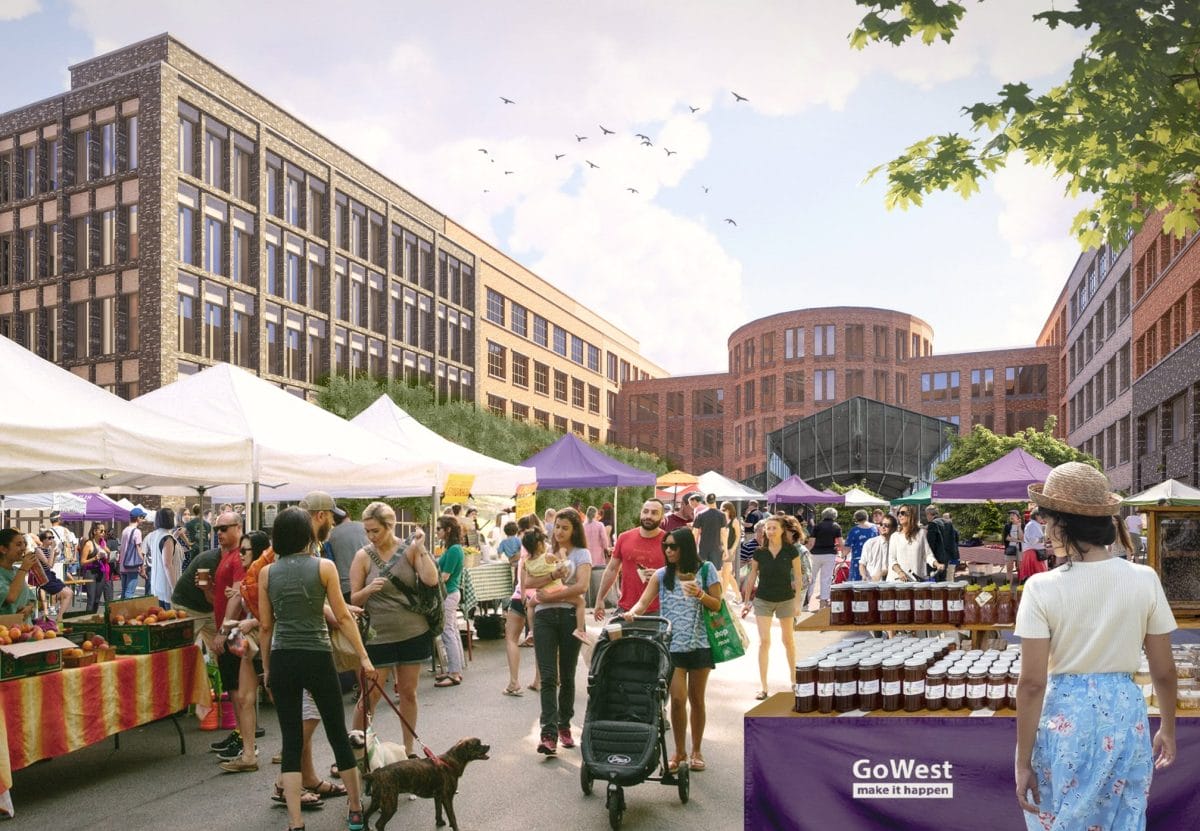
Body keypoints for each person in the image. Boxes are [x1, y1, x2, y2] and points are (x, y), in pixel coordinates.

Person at [1014, 462, 1177, 829]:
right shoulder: (1144, 579)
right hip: (1125, 716)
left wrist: (1022, 761)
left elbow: (1032, 684)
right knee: (1123, 819)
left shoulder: (1042, 588)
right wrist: (1168, 727)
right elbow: (1163, 671)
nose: (1045, 529)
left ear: (1062, 525)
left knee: (1062, 817)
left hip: (1064, 721)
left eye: (1047, 519)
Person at [259, 507, 374, 831]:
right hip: (318, 656)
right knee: (338, 734)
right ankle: (354, 810)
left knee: (291, 742)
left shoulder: (267, 573)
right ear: (309, 535)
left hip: (283, 658)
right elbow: (343, 616)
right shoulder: (324, 568)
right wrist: (363, 657)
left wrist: (267, 669)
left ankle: (295, 822)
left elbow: (266, 627)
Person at [623, 527, 721, 773]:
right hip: (672, 646)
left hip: (700, 644)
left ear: (686, 547)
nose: (668, 550)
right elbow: (644, 602)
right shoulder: (660, 575)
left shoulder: (707, 569)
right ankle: (679, 752)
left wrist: (699, 593)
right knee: (677, 700)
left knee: (697, 700)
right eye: (665, 546)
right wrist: (632, 613)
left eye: (673, 546)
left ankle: (697, 750)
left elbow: (717, 605)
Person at [349, 501, 439, 756]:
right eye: (367, 531)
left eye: (376, 530)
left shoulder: (409, 550)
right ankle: (356, 755)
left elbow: (431, 581)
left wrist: (421, 549)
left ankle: (408, 750)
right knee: (370, 697)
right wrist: (368, 590)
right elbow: (353, 599)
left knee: (408, 693)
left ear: (391, 526)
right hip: (378, 636)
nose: (371, 536)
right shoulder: (363, 556)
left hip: (413, 632)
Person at [525, 508, 592, 755]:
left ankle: (564, 724)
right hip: (543, 617)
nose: (560, 531)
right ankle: (548, 734)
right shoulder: (548, 554)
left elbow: (582, 586)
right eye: (558, 527)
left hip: (568, 616)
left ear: (575, 530)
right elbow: (529, 583)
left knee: (567, 674)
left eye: (565, 527)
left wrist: (553, 593)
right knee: (548, 675)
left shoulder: (582, 553)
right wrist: (553, 575)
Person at [741, 516, 804, 700]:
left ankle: (794, 681)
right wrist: (746, 601)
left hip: (785, 599)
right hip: (763, 599)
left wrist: (797, 602)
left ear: (782, 530)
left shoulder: (791, 551)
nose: (769, 531)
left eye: (773, 528)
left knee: (788, 641)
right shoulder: (759, 552)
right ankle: (764, 687)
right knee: (764, 642)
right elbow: (752, 576)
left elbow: (798, 578)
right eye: (767, 528)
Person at [593, 499, 667, 620]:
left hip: (656, 613)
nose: (648, 516)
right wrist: (600, 598)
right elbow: (611, 569)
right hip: (625, 608)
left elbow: (680, 576)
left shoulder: (668, 541)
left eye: (654, 513)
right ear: (640, 513)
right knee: (607, 639)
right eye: (645, 511)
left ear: (662, 517)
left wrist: (662, 575)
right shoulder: (625, 537)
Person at [521, 526, 588, 644]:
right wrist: (563, 553)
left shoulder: (526, 563)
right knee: (580, 602)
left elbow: (527, 581)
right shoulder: (548, 556)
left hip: (540, 594)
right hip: (557, 589)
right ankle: (580, 629)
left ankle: (531, 631)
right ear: (540, 544)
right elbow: (563, 566)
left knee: (530, 605)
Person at [503, 529, 543, 697]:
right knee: (541, 642)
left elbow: (521, 581)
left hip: (520, 598)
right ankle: (538, 680)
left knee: (511, 638)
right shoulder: (547, 558)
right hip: (541, 599)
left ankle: (513, 682)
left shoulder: (523, 558)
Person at [432, 516, 466, 688]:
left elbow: (445, 576)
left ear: (448, 530)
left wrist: (429, 582)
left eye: (439, 528)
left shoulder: (454, 550)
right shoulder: (452, 548)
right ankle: (456, 668)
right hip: (452, 593)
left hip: (449, 593)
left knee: (447, 632)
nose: (437, 531)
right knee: (451, 630)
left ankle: (454, 673)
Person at [143, 508, 182, 609]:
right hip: (167, 587)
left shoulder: (154, 535)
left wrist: (174, 537)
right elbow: (167, 564)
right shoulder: (167, 538)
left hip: (157, 587)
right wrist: (176, 589)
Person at [327, 506, 368, 601]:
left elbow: (330, 561)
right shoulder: (366, 528)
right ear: (348, 514)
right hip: (367, 584)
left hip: (345, 587)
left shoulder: (330, 536)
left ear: (333, 519)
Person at [806, 507, 842, 611]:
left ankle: (806, 602)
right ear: (834, 516)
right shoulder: (836, 526)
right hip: (830, 554)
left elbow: (811, 542)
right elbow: (840, 543)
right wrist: (839, 548)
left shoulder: (817, 526)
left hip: (815, 554)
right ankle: (823, 603)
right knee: (826, 579)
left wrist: (805, 552)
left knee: (811, 578)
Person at [887, 506, 936, 581]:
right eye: (898, 513)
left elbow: (927, 554)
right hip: (897, 581)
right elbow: (891, 559)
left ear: (911, 515)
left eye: (903, 513)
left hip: (916, 580)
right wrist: (900, 572)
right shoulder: (895, 536)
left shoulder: (921, 533)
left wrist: (936, 563)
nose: (900, 515)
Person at [30, 530, 73, 616]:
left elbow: (51, 566)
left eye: (52, 537)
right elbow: (48, 565)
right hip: (43, 578)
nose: (52, 539)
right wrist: (53, 550)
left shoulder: (48, 550)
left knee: (69, 592)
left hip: (49, 575)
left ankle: (60, 616)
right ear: (43, 540)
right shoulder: (38, 550)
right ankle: (59, 617)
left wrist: (54, 555)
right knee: (68, 593)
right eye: (49, 538)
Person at [0, 529, 38, 620]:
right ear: (3, 549)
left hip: (25, 630)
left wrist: (29, 608)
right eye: (18, 544)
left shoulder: (17, 571)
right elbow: (10, 597)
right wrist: (24, 568)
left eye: (24, 544)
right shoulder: (20, 571)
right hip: (6, 631)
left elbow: (31, 599)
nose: (23, 548)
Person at [79, 523, 113, 613]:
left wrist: (110, 554)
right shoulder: (89, 544)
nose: (103, 533)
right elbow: (82, 562)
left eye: (104, 531)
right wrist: (94, 558)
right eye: (101, 531)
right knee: (91, 599)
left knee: (97, 599)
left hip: (101, 572)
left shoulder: (102, 542)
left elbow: (108, 554)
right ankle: (88, 621)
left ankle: (94, 618)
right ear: (95, 531)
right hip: (90, 572)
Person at [116, 508, 147, 599]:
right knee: (129, 593)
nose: (143, 519)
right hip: (132, 566)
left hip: (123, 565)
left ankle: (120, 612)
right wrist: (142, 567)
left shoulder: (125, 530)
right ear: (138, 518)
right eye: (142, 517)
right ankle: (126, 613)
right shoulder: (137, 532)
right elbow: (138, 549)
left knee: (124, 591)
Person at [693, 493, 727, 575]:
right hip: (716, 547)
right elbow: (723, 534)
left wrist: (694, 547)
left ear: (705, 501)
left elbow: (695, 533)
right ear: (715, 501)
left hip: (703, 548)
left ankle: (704, 588)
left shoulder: (700, 514)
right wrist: (725, 549)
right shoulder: (722, 515)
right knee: (716, 573)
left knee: (702, 572)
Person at [582, 506, 610, 607]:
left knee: (587, 578)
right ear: (595, 514)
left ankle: (588, 601)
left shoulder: (583, 525)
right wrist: (606, 548)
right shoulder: (599, 525)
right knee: (597, 577)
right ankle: (597, 599)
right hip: (598, 553)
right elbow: (604, 539)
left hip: (586, 554)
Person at [844, 510, 878, 585]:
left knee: (857, 584)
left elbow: (846, 549)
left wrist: (842, 555)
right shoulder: (875, 528)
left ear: (856, 519)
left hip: (858, 560)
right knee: (873, 583)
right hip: (873, 559)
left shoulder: (853, 530)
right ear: (867, 517)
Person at [859, 513, 895, 581]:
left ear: (893, 528)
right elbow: (862, 564)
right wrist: (864, 576)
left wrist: (881, 573)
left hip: (891, 584)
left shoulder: (896, 544)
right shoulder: (870, 543)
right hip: (872, 583)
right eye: (881, 524)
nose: (883, 527)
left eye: (886, 525)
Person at [720, 501, 743, 602]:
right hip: (721, 549)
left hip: (729, 549)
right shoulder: (722, 520)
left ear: (729, 510)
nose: (722, 512)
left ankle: (724, 595)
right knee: (727, 574)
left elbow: (738, 536)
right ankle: (738, 595)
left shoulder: (734, 521)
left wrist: (733, 549)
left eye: (724, 510)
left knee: (726, 573)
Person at [47, 511, 78, 577]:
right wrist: (74, 556)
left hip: (52, 559)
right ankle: (75, 585)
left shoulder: (47, 532)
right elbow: (75, 543)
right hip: (64, 558)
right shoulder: (65, 530)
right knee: (64, 578)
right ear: (58, 519)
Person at [1021, 510, 1049, 582]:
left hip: (1034, 553)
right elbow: (1033, 540)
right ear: (1036, 516)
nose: (1043, 517)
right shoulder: (1032, 525)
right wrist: (1043, 538)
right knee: (1038, 578)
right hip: (1033, 554)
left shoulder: (1034, 524)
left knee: (1037, 579)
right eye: (1041, 515)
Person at [184, 504, 211, 569]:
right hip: (205, 548)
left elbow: (183, 533)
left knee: (194, 568)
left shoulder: (188, 524)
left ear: (193, 511)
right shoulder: (207, 524)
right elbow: (209, 536)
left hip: (194, 549)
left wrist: (188, 542)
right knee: (204, 569)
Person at [1003, 509, 1024, 583]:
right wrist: (1018, 540)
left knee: (1020, 569)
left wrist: (1019, 527)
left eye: (1013, 515)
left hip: (1020, 549)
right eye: (1010, 515)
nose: (1011, 516)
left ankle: (1020, 587)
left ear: (1018, 517)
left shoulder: (1023, 525)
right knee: (1009, 569)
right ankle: (1008, 587)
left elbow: (1022, 538)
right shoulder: (1007, 526)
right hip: (1010, 548)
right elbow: (1007, 538)